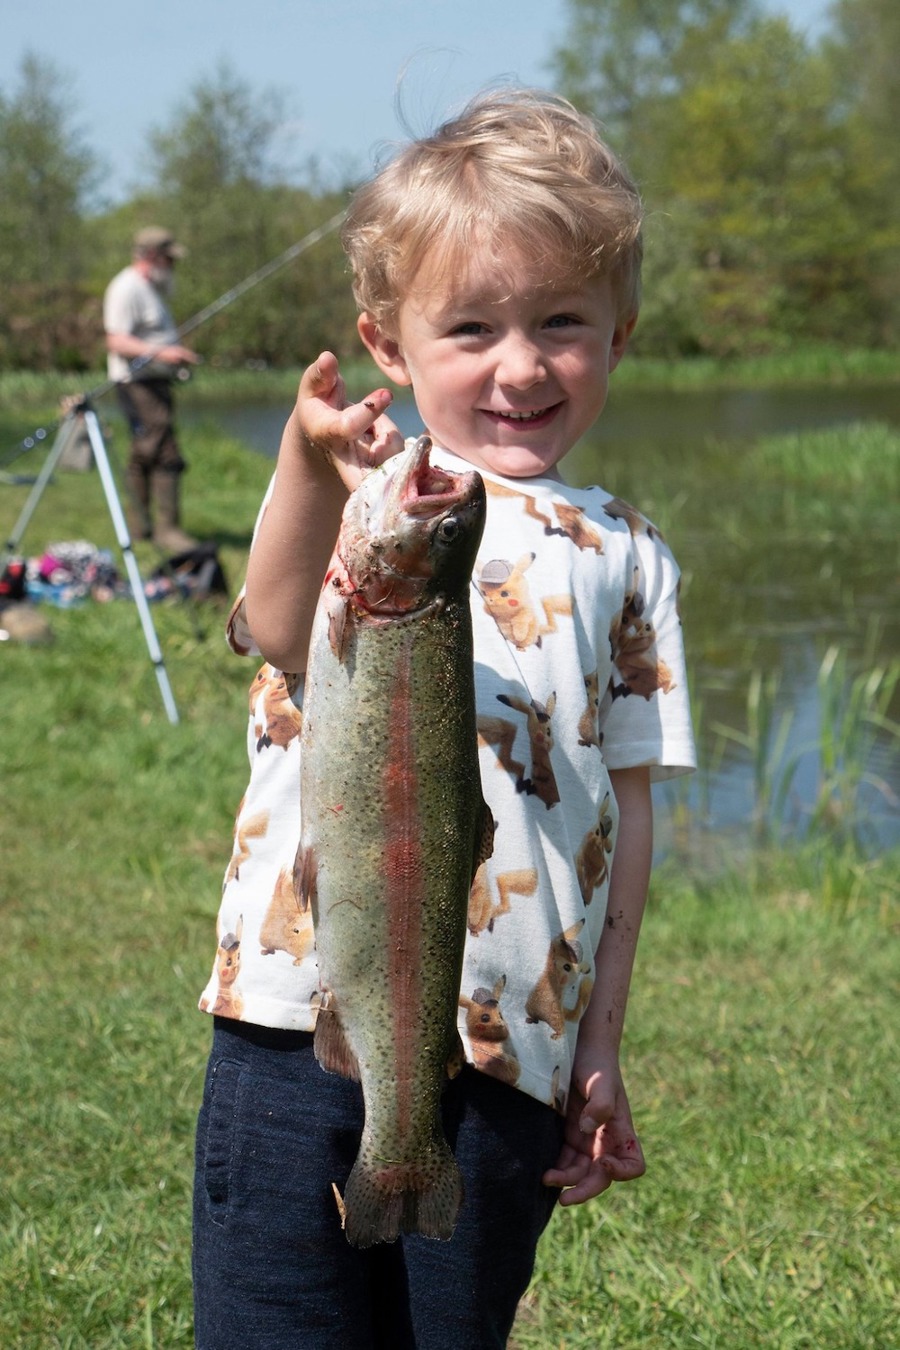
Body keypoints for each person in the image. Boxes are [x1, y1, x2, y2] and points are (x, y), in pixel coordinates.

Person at [193, 88, 696, 1349]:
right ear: (387, 342)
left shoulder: (629, 552)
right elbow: (268, 620)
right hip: (291, 1011)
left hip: (510, 1046)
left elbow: (628, 819)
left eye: (562, 323)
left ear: (620, 336)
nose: (520, 365)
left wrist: (602, 1039)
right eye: (470, 326)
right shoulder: (379, 495)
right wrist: (310, 466)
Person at [103, 225, 200, 552]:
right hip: (136, 383)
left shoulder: (148, 289)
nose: (173, 266)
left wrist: (172, 355)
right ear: (153, 257)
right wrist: (164, 352)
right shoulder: (126, 287)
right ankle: (166, 531)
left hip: (154, 381)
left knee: (144, 451)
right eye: (169, 259)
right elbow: (115, 340)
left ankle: (139, 528)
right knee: (164, 451)